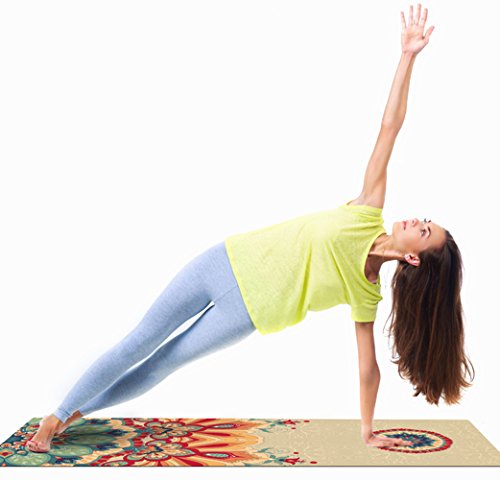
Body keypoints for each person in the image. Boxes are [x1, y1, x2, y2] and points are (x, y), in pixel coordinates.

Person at [26, 3, 474, 453]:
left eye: (424, 231)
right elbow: (390, 127)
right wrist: (407, 57)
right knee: (139, 341)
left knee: (162, 364)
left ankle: (76, 412)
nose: (417, 220)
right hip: (223, 261)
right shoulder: (367, 210)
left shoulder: (365, 290)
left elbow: (367, 368)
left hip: (244, 315)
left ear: (413, 257)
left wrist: (367, 430)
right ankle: (58, 413)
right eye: (426, 219)